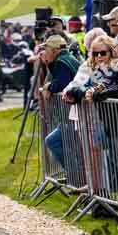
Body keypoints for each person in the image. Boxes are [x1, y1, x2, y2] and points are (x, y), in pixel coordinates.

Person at [38, 35, 80, 171]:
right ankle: (77, 176)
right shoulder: (67, 58)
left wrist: (48, 86)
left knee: (53, 141)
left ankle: (76, 176)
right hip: (73, 115)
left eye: (46, 49)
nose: (44, 52)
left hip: (75, 115)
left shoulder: (62, 62)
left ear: (54, 50)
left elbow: (61, 85)